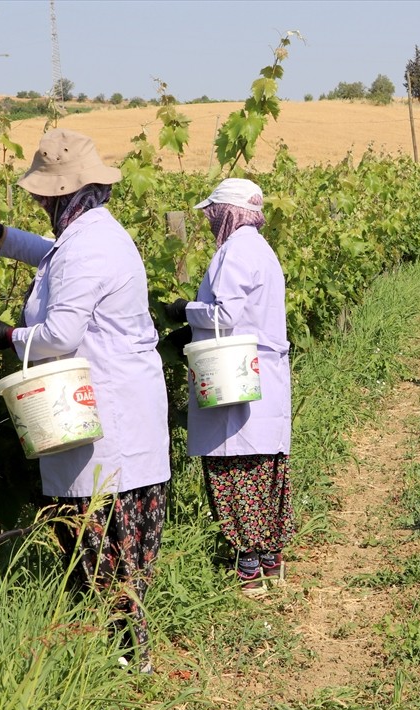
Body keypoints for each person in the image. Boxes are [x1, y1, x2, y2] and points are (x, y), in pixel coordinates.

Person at [0, 128, 171, 671]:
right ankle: (122, 660)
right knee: (109, 539)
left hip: (106, 413)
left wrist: (9, 338)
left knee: (105, 537)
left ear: (62, 194)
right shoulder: (90, 231)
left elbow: (59, 335)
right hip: (113, 406)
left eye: (45, 195)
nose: (42, 203)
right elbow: (51, 254)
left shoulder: (88, 245)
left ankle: (120, 664)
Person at [163, 178, 293, 596]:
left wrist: (185, 312)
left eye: (213, 212)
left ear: (229, 212)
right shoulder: (261, 249)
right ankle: (271, 560)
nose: (209, 221)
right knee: (264, 464)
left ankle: (249, 567)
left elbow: (226, 315)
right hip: (262, 371)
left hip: (234, 373)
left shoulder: (235, 250)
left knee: (233, 464)